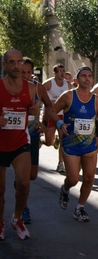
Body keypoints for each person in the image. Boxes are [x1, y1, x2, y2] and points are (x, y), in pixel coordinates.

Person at [49, 66, 98, 222]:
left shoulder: (96, 99)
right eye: (83, 76)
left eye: (90, 76)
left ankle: (79, 208)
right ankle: (65, 189)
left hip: (89, 145)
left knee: (89, 178)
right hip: (71, 145)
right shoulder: (68, 96)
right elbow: (51, 111)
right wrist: (59, 123)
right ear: (77, 80)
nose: (87, 78)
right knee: (73, 179)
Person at [0, 49, 38, 240]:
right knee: (0, 189)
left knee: (23, 184)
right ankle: (0, 222)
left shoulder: (31, 88)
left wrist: (35, 111)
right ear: (4, 65)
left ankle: (17, 218)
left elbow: (35, 110)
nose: (17, 66)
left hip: (20, 142)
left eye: (19, 62)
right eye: (12, 62)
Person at [20, 57, 52, 224]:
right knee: (24, 179)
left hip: (32, 134)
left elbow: (49, 104)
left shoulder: (37, 87)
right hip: (13, 136)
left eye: (28, 72)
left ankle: (19, 184)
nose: (25, 76)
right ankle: (23, 208)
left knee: (32, 175)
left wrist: (45, 123)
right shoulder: (10, 86)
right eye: (22, 72)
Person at [42, 63, 72, 173]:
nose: (62, 73)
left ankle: (60, 163)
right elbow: (38, 93)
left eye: (63, 71)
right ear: (54, 73)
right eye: (59, 71)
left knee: (63, 140)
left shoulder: (67, 85)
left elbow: (71, 98)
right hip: (51, 115)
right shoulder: (49, 83)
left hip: (63, 116)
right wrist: (48, 102)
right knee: (49, 142)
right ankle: (42, 140)